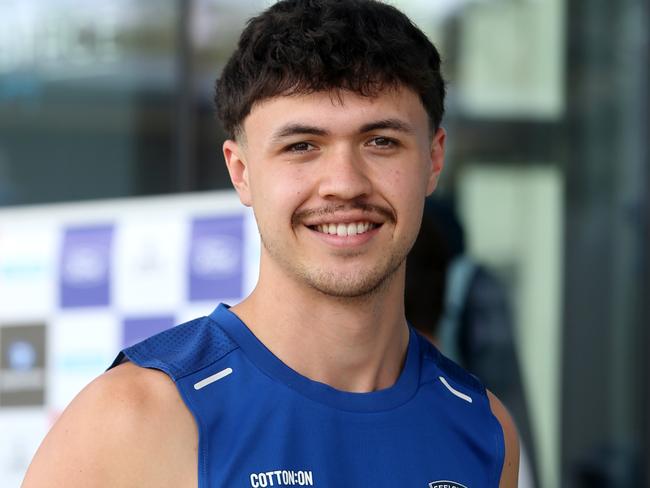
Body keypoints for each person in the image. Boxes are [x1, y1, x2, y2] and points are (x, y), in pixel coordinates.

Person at [23, 1, 519, 486]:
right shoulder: (136, 419)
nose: (344, 183)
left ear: (433, 160)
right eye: (301, 146)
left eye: (381, 141)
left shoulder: (484, 429)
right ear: (241, 172)